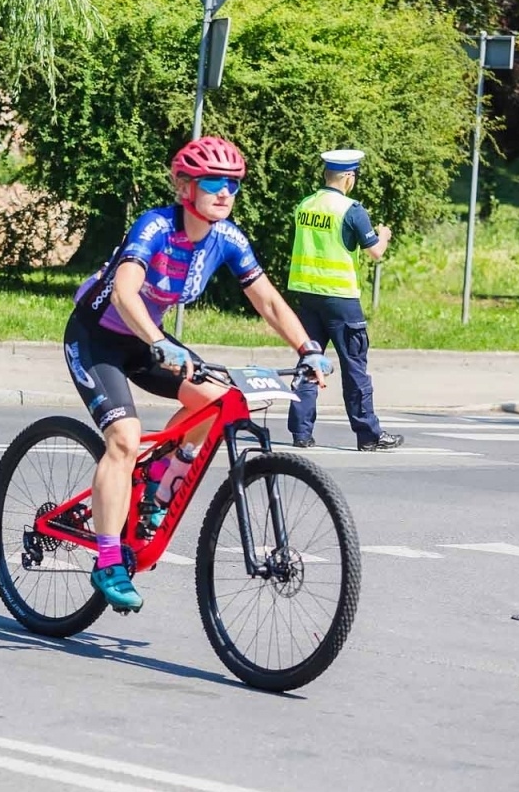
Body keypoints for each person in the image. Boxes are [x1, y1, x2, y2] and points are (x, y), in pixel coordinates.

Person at [63, 135, 333, 612]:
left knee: (220, 398)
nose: (225, 192)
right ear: (185, 185)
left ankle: (161, 476)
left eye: (233, 184)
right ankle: (108, 561)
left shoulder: (227, 239)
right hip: (98, 337)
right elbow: (126, 294)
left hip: (150, 341)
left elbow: (267, 300)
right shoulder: (156, 226)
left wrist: (307, 347)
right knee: (124, 439)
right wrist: (159, 342)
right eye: (214, 182)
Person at [285, 149, 402, 451]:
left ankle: (300, 432)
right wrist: (384, 235)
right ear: (349, 177)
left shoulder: (305, 205)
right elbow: (375, 252)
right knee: (354, 367)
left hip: (306, 293)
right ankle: (368, 435)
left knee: (309, 362)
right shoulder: (352, 209)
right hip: (340, 298)